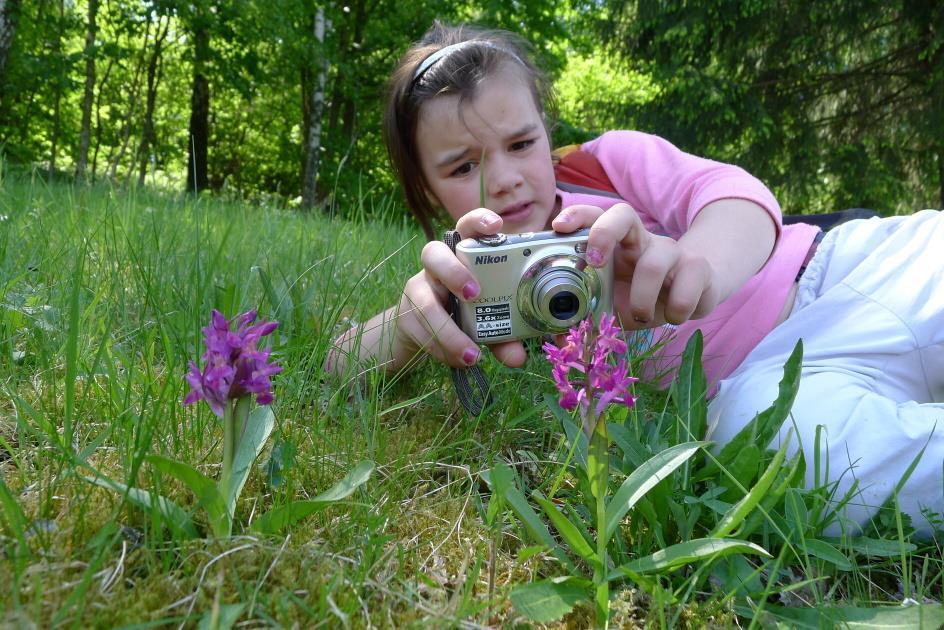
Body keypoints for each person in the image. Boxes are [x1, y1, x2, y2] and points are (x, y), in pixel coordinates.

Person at [331, 22, 943, 537]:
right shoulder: (465, 283)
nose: (509, 177)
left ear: (548, 135)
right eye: (464, 165)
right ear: (427, 191)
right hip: (769, 392)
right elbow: (336, 365)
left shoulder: (605, 166)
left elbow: (736, 197)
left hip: (844, 275)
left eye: (522, 143)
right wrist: (417, 327)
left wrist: (692, 265)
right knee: (790, 455)